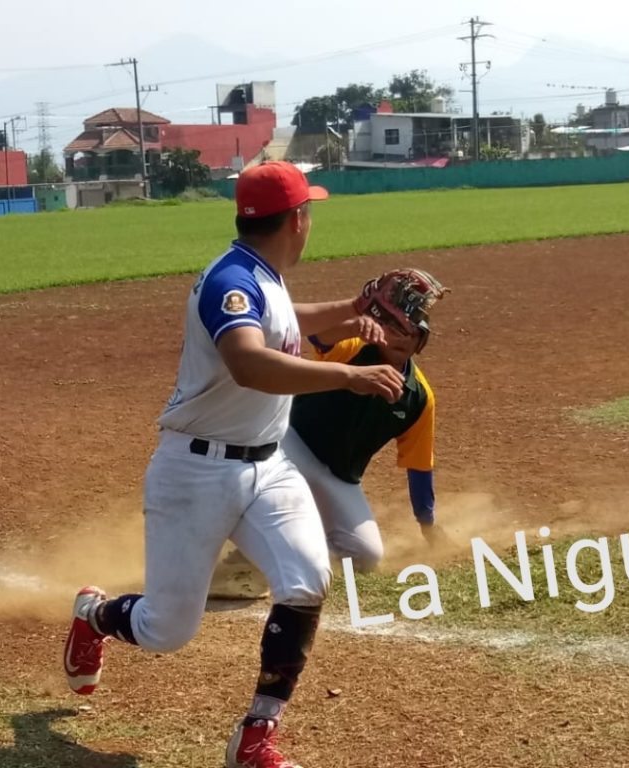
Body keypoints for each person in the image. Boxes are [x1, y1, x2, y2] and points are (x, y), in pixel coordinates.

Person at [63, 160, 405, 768]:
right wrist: (347, 375)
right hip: (195, 473)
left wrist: (352, 309)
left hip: (269, 468)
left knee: (306, 580)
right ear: (298, 219)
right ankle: (93, 614)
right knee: (168, 630)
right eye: (311, 211)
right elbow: (249, 360)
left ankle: (256, 735)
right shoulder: (230, 282)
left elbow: (284, 321)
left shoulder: (260, 275)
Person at [282, 269, 449, 573]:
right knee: (273, 499)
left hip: (338, 478)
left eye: (412, 332)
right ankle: (251, 538)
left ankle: (290, 551)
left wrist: (428, 524)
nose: (403, 337)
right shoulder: (354, 348)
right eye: (396, 328)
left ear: (421, 339)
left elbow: (419, 466)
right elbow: (319, 336)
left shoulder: (419, 398)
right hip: (291, 446)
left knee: (366, 554)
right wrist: (354, 326)